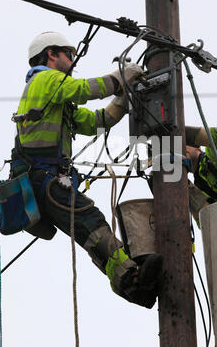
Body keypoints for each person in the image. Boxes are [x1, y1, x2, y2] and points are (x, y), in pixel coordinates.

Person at [11, 31, 162, 309]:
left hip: (44, 182)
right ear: (51, 54)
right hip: (44, 179)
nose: (73, 59)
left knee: (87, 228)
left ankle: (130, 278)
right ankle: (129, 278)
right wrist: (122, 77)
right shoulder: (44, 79)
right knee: (90, 222)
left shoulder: (56, 98)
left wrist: (124, 98)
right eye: (68, 54)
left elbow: (98, 122)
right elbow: (84, 90)